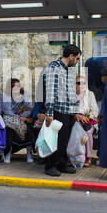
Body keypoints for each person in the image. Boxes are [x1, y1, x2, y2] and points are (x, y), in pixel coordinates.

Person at [43, 44, 82, 177]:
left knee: (65, 140)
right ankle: (50, 165)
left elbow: (71, 92)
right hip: (58, 110)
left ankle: (62, 163)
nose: (77, 62)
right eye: (77, 59)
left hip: (69, 111)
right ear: (71, 56)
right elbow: (50, 92)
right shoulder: (53, 68)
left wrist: (76, 110)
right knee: (58, 140)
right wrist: (49, 113)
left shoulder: (69, 70)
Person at [1, 78, 34, 163]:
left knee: (27, 125)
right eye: (13, 86)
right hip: (10, 117)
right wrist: (18, 118)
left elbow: (29, 109)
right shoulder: (6, 96)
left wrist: (22, 116)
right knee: (9, 123)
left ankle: (29, 152)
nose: (16, 88)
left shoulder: (25, 95)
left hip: (22, 117)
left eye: (17, 86)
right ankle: (8, 152)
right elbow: (7, 111)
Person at [76, 75, 99, 167]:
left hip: (88, 121)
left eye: (83, 83)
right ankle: (74, 155)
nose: (81, 85)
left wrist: (85, 117)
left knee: (88, 132)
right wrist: (77, 117)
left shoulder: (90, 94)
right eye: (78, 83)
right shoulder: (72, 95)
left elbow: (95, 111)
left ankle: (88, 156)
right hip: (75, 121)